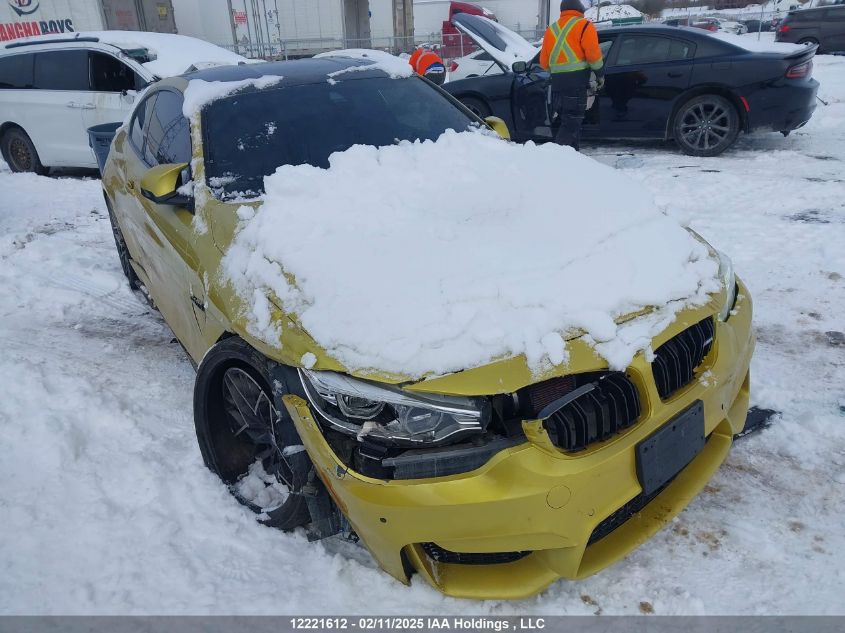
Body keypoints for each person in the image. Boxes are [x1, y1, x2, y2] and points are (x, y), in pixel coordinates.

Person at [539, 0, 605, 149]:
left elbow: (544, 63)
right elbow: (593, 57)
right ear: (580, 10)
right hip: (576, 84)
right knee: (571, 124)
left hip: (556, 86)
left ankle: (573, 157)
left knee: (568, 123)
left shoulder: (551, 29)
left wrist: (558, 71)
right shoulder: (585, 25)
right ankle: (557, 157)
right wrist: (600, 75)